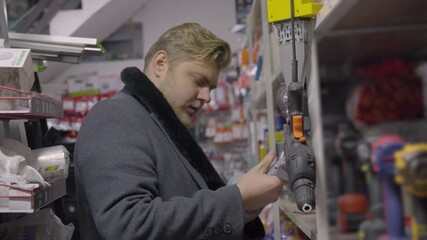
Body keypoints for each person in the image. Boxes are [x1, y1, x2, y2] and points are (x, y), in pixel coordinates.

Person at [74, 22, 285, 240]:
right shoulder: (115, 117)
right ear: (161, 63)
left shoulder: (160, 126)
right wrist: (236, 199)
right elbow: (128, 225)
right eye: (199, 81)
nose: (207, 97)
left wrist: (241, 211)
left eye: (211, 88)